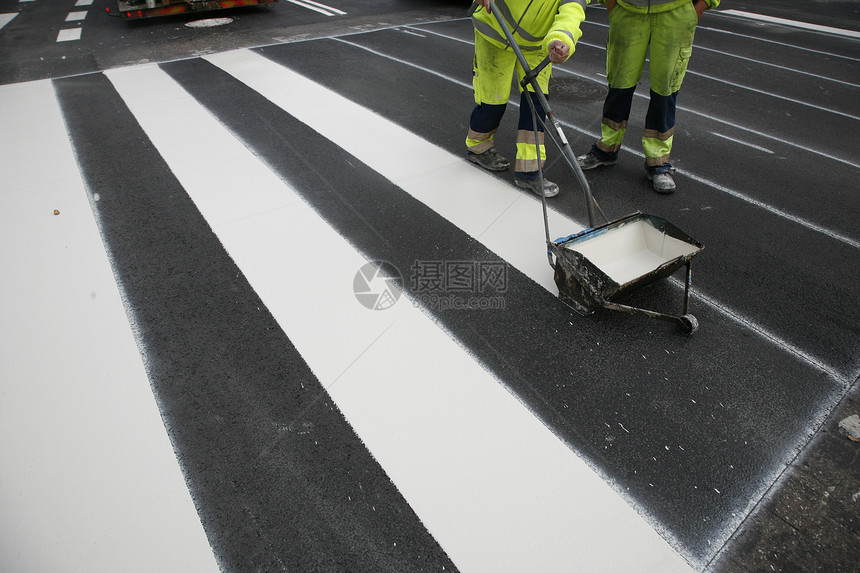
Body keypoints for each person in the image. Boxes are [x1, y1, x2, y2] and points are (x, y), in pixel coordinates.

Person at [576, 0, 719, 193]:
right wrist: (612, 5)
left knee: (665, 90)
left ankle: (658, 162)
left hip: (676, 13)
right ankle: (607, 148)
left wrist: (697, 9)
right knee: (619, 85)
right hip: (626, 10)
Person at [466, 0, 589, 198]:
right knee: (492, 102)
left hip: (538, 46)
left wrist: (563, 40)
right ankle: (478, 148)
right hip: (494, 32)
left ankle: (529, 172)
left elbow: (572, 10)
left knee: (536, 105)